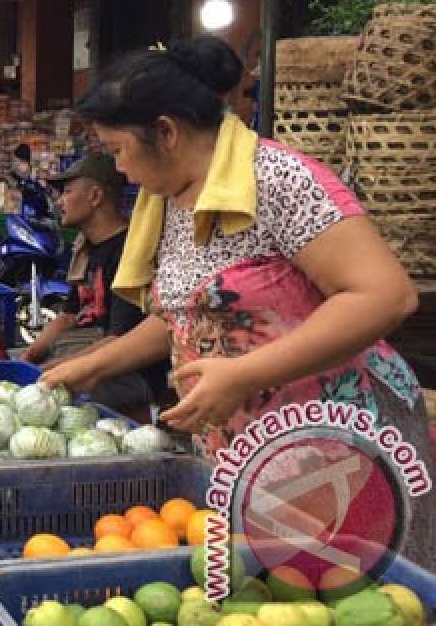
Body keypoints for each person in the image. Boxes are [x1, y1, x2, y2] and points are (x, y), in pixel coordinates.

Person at [41, 36, 434, 566]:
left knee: (354, 604)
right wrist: (94, 363)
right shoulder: (175, 199)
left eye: (117, 151)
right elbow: (190, 316)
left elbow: (386, 296)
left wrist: (244, 374)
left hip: (339, 445)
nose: (120, 170)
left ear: (165, 132)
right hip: (257, 452)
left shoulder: (279, 181)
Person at [22, 153, 167, 418]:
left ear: (96, 197)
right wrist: (31, 354)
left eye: (67, 192)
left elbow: (119, 339)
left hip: (129, 370)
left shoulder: (129, 252)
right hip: (85, 351)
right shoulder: (86, 248)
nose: (59, 201)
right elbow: (67, 316)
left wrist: (66, 367)